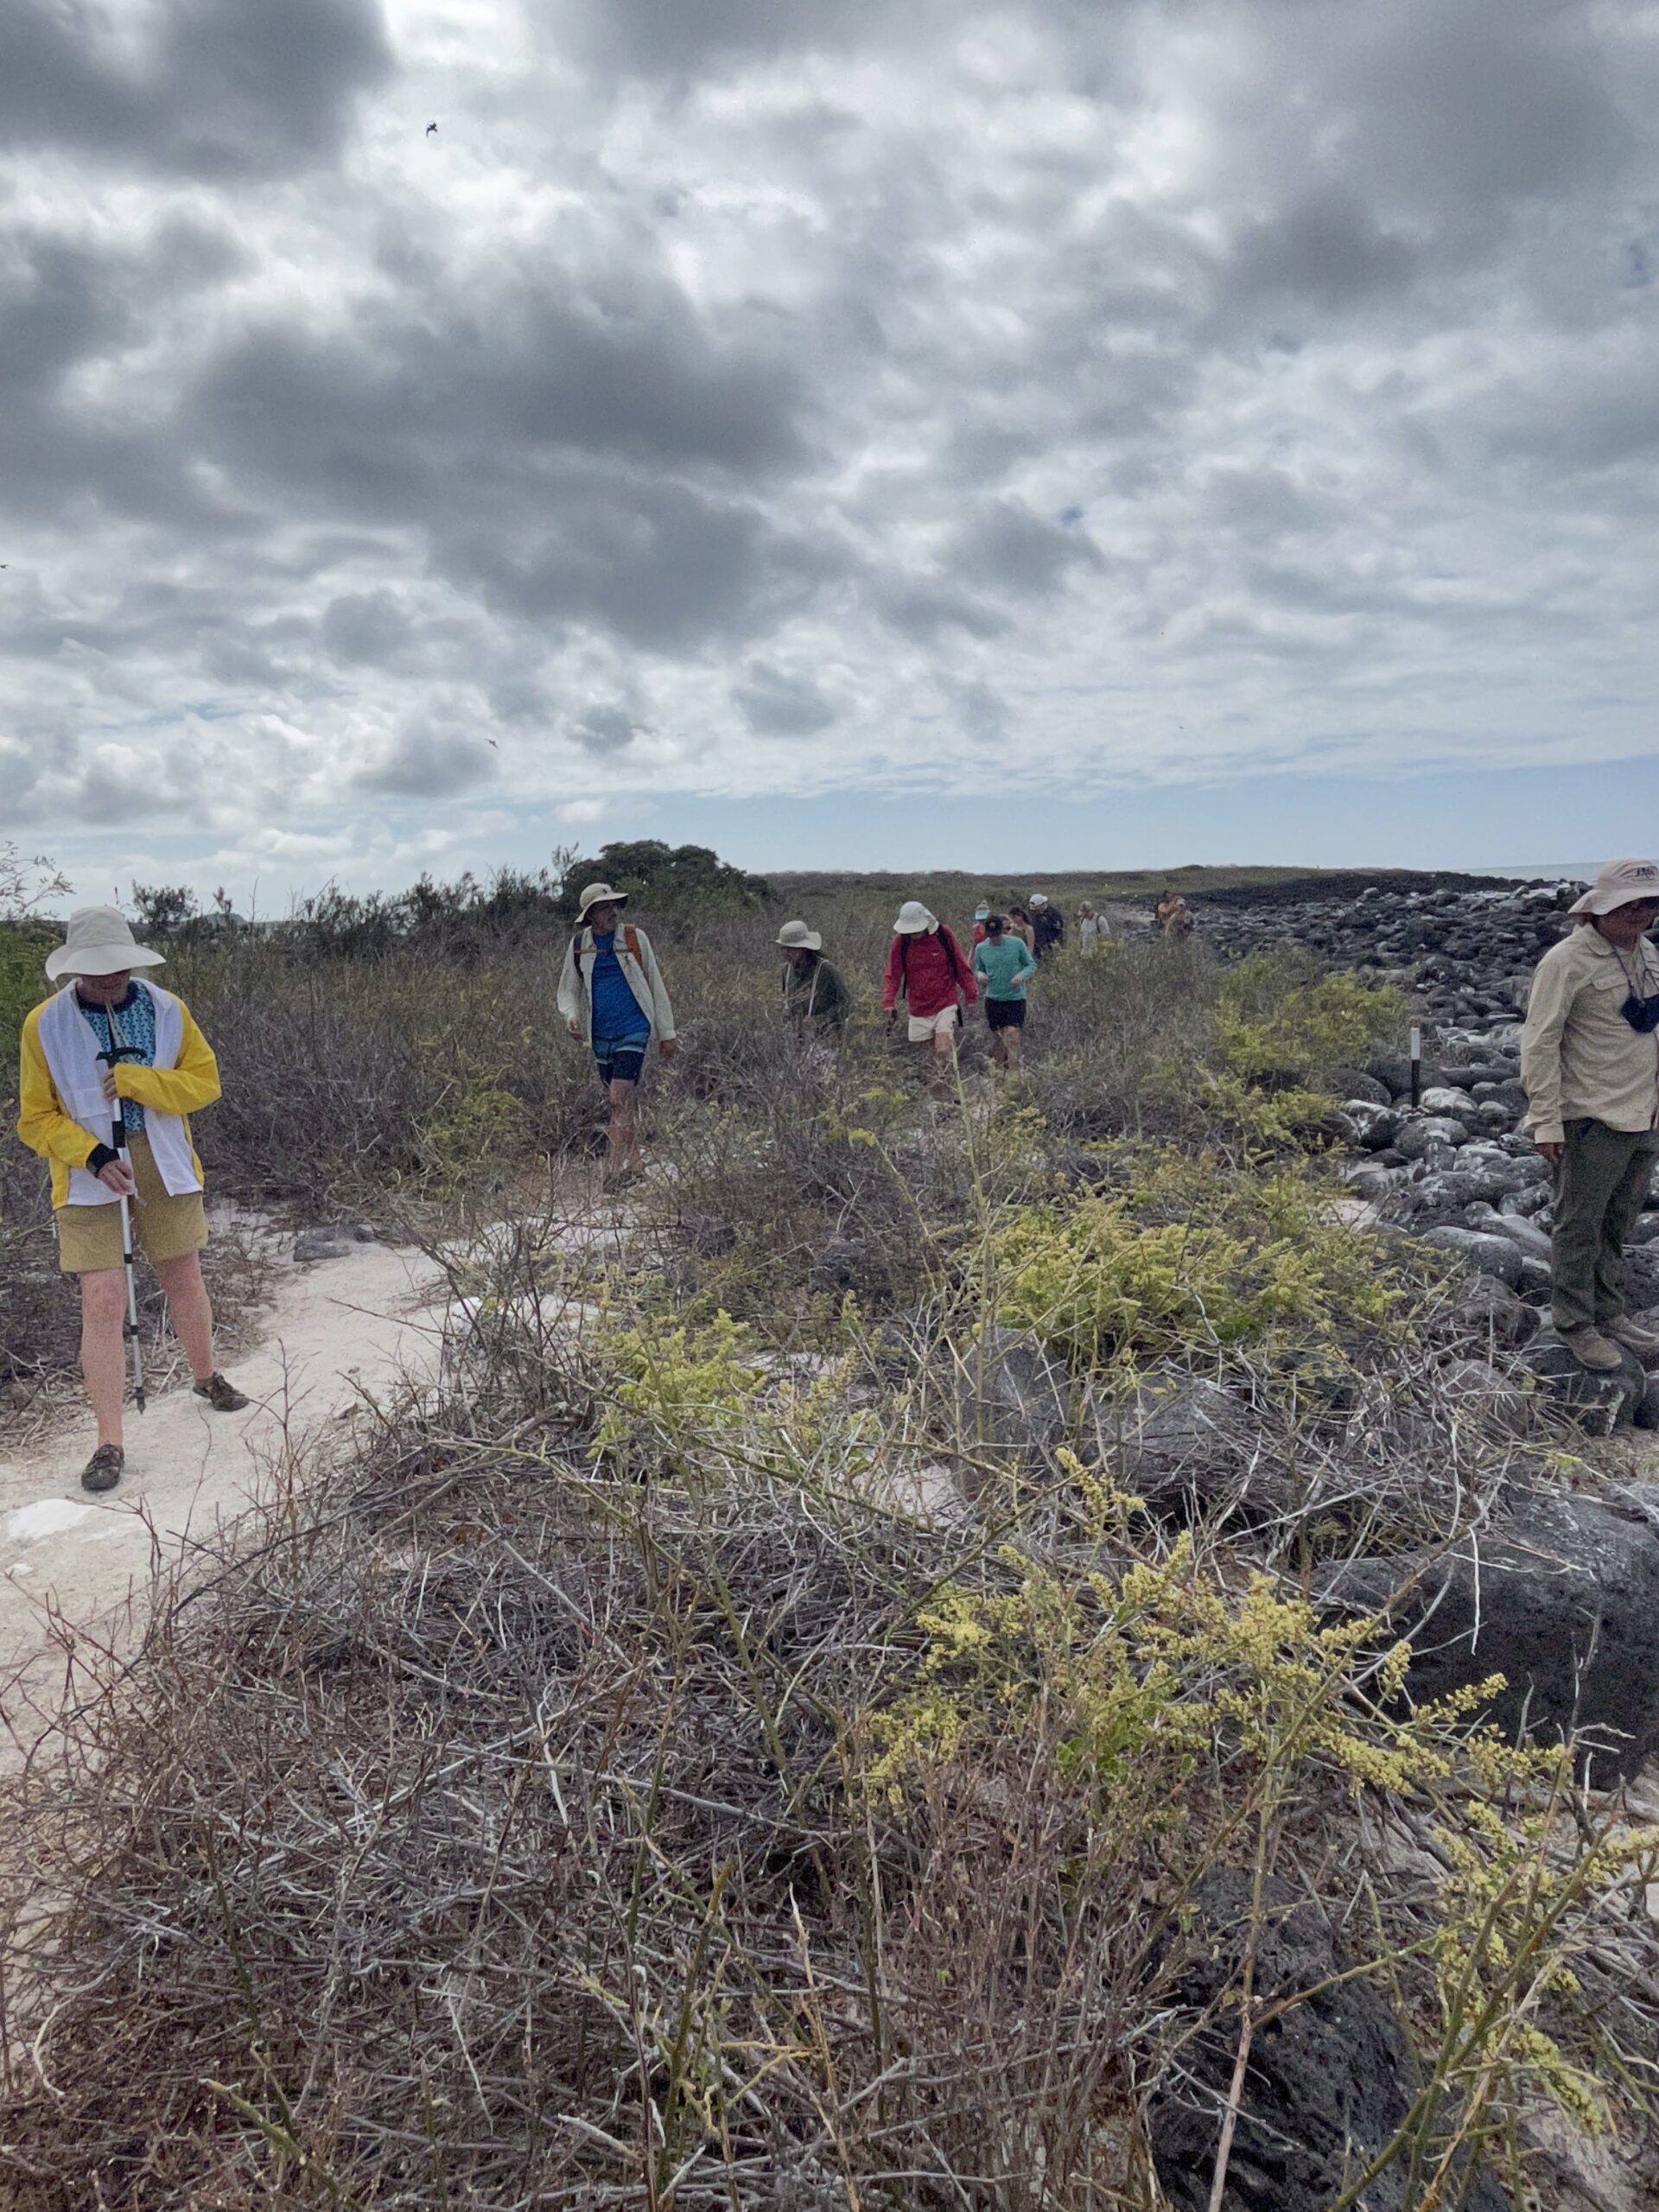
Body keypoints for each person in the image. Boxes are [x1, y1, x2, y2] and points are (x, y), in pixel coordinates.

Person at [16, 906, 249, 1495]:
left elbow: (205, 1083)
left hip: (163, 1158)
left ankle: (206, 1376)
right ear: (75, 969)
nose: (109, 979)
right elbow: (34, 1118)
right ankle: (109, 1440)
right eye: (96, 971)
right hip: (86, 1172)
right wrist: (92, 1155)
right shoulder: (43, 1024)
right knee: (103, 1299)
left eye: (117, 967)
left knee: (182, 1275)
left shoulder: (168, 1009)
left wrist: (140, 1081)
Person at [1521, 857, 1659, 1371]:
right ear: (1600, 906)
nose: (1640, 913)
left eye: (1650, 904)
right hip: (1590, 1117)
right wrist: (1546, 1120)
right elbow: (1540, 1043)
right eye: (1629, 904)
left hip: (1644, 1114)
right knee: (1579, 1225)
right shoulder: (1566, 961)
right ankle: (1574, 1322)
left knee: (1618, 1221)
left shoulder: (1648, 953)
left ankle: (1608, 1311)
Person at [557, 881, 678, 1189]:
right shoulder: (579, 944)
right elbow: (568, 989)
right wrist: (571, 1016)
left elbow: (655, 983)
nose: (612, 912)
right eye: (604, 907)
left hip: (634, 1027)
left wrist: (667, 1032)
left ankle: (612, 1172)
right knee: (624, 1102)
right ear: (591, 915)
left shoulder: (635, 938)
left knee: (616, 1098)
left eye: (613, 905)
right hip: (601, 1034)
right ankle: (636, 1163)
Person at [882, 899, 977, 1099]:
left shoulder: (943, 934)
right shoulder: (901, 942)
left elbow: (961, 965)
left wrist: (970, 995)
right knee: (929, 1059)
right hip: (918, 1006)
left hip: (945, 1001)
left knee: (943, 1050)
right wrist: (889, 1001)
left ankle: (952, 1094)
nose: (913, 934)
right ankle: (939, 1100)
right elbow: (893, 973)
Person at [971, 912, 1037, 1073]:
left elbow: (1030, 965)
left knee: (1013, 1036)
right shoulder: (981, 948)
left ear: (1003, 930)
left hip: (1015, 998)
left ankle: (1014, 1076)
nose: (994, 939)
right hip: (994, 999)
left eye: (997, 935)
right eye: (991, 936)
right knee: (998, 1039)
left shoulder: (1017, 944)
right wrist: (980, 975)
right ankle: (998, 1074)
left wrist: (1021, 976)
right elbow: (978, 968)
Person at [777, 919, 850, 1046]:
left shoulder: (826, 970)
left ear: (803, 949)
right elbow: (785, 999)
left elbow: (847, 1004)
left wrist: (821, 1019)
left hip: (825, 1041)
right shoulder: (786, 971)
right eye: (784, 948)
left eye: (790, 948)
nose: (786, 953)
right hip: (795, 1041)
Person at [1030, 893, 1065, 960]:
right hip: (1037, 947)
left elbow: (1058, 931)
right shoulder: (1035, 915)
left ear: (1041, 905)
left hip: (1052, 946)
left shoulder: (1054, 914)